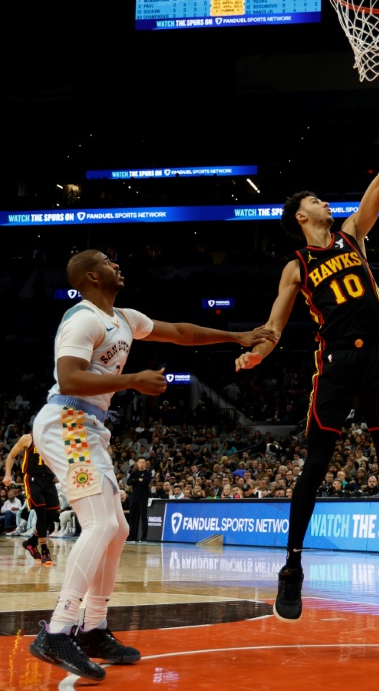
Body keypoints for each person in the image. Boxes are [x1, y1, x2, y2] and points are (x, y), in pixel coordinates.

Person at [28, 249, 277, 681]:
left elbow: (181, 332)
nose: (116, 264)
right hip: (67, 419)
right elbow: (68, 377)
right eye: (107, 261)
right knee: (101, 526)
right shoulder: (83, 318)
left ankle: (94, 627)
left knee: (118, 528)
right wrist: (132, 380)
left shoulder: (123, 318)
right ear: (91, 277)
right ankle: (60, 628)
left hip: (89, 425)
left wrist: (234, 337)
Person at [234, 108, 379, 622]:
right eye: (315, 200)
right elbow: (275, 327)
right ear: (301, 217)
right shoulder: (296, 266)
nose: (325, 202)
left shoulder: (353, 235)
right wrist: (258, 350)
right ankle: (292, 567)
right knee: (316, 466)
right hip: (337, 363)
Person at [3, 432, 59, 565]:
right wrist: (7, 475)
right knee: (41, 512)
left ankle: (31, 542)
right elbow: (11, 456)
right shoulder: (28, 438)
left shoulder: (55, 438)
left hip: (49, 480)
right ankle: (45, 550)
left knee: (53, 512)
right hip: (33, 479)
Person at [126, 457, 151, 543]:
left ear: (145, 464)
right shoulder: (134, 472)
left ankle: (144, 537)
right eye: (140, 462)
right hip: (134, 497)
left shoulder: (148, 473)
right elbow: (128, 482)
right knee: (132, 517)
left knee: (143, 517)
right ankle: (132, 536)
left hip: (143, 497)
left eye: (143, 462)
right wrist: (137, 480)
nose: (141, 464)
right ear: (137, 463)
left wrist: (135, 481)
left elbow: (145, 483)